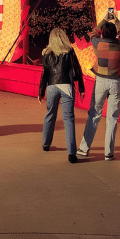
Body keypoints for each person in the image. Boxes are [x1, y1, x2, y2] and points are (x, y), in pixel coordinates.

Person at [77, 9, 120, 161]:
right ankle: (108, 153)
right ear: (114, 33)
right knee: (112, 117)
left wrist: (105, 18)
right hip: (116, 82)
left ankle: (84, 149)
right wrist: (115, 19)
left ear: (103, 33)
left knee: (94, 114)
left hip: (101, 81)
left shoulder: (97, 43)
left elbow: (95, 31)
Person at [38, 28, 85, 163]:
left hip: (52, 86)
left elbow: (44, 74)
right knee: (68, 119)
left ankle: (46, 144)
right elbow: (77, 70)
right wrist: (81, 87)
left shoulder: (47, 54)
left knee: (50, 115)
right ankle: (71, 154)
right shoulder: (70, 52)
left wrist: (41, 92)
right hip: (66, 86)